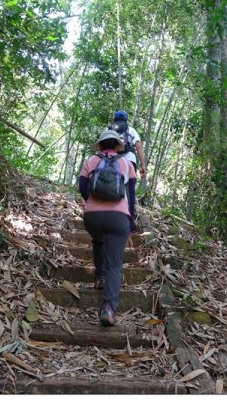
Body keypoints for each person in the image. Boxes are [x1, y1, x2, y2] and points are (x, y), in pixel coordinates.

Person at [78, 129, 137, 327]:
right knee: (115, 264)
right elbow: (130, 194)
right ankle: (108, 308)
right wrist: (131, 219)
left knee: (98, 239)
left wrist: (92, 203)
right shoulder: (126, 163)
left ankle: (100, 277)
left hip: (92, 217)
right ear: (117, 145)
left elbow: (82, 186)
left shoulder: (91, 161)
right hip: (118, 216)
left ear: (101, 145)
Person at [109, 110, 147, 179]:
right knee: (130, 183)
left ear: (114, 118)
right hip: (129, 159)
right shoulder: (131, 130)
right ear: (126, 119)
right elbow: (138, 146)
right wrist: (143, 165)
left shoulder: (108, 129)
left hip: (110, 159)